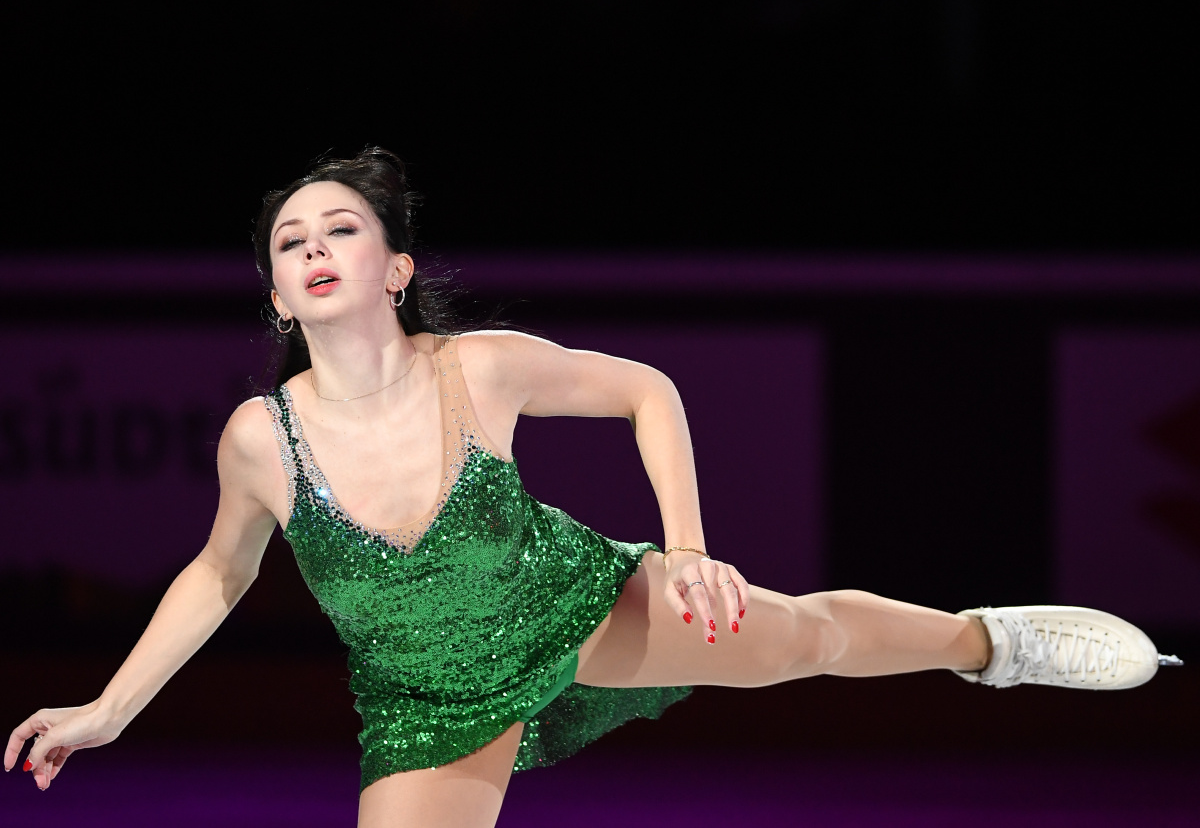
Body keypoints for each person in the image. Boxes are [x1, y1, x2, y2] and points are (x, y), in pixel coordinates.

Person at [5, 148, 1179, 828]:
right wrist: (110, 710)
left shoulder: (476, 368)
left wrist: (687, 547)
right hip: (426, 702)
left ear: (395, 268)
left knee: (802, 639)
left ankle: (992, 641)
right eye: (291, 241)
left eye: (341, 229)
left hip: (574, 607)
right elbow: (219, 574)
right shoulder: (260, 440)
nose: (314, 246)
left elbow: (645, 391)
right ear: (275, 295)